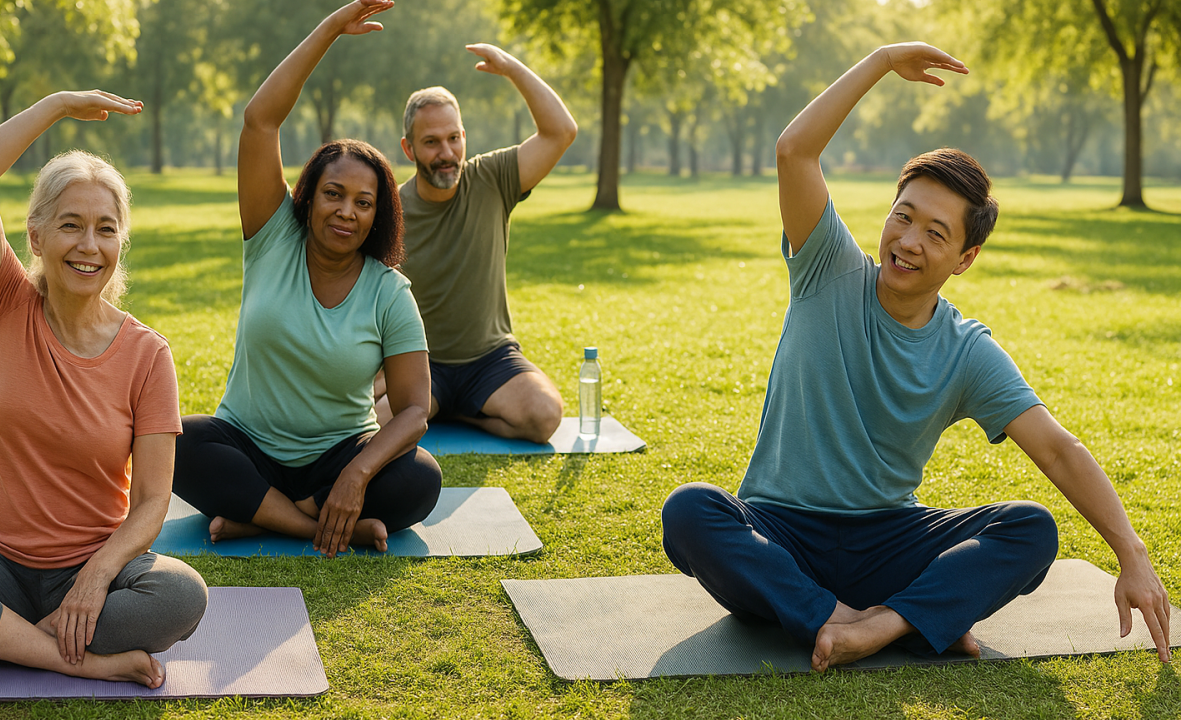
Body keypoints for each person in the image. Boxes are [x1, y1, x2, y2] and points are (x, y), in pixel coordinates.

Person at [659, 43, 1171, 672]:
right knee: (690, 511)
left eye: (936, 234)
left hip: (886, 542)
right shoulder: (827, 269)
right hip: (781, 532)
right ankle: (858, 619)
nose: (907, 242)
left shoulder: (966, 352)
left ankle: (883, 624)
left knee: (1031, 530)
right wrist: (879, 61)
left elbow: (1059, 449)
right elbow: (794, 150)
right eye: (903, 218)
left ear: (964, 258)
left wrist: (1132, 555)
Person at [0, 91, 208, 688]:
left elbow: (150, 503)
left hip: (90, 563)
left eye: (105, 229)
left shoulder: (149, 355)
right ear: (36, 237)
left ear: (120, 244)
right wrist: (58, 106)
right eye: (70, 225)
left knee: (180, 595)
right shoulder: (3, 304)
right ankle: (75, 657)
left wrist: (98, 575)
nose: (88, 246)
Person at [172, 0, 441, 559]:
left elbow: (415, 407)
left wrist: (358, 473)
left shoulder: (389, 292)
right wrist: (329, 31)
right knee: (173, 441)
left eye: (363, 203)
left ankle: (262, 515)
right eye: (334, 194)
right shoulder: (272, 239)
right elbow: (259, 120)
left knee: (421, 478)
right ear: (309, 197)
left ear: (379, 215)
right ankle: (307, 525)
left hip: (339, 454)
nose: (346, 212)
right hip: (246, 445)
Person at [372, 40, 578, 443]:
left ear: (464, 136)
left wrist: (513, 69)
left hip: (490, 360)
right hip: (419, 362)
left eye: (454, 138)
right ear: (408, 148)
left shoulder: (493, 178)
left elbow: (561, 131)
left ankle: (461, 414)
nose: (446, 153)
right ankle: (438, 405)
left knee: (544, 415)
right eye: (431, 142)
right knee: (373, 426)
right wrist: (380, 370)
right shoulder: (389, 210)